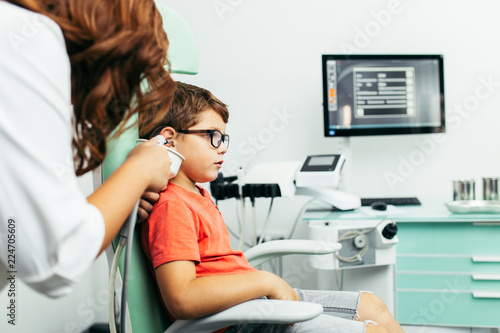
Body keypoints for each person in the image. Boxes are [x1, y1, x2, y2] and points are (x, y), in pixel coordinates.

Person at [141, 82, 405, 333]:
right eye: (212, 136)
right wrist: (267, 281)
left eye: (223, 138)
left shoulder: (196, 194)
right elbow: (182, 298)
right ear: (170, 140)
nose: (222, 148)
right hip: (234, 321)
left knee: (373, 306)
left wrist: (264, 285)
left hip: (251, 303)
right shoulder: (172, 206)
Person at [0, 0, 176, 297]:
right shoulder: (26, 35)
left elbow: (19, 245)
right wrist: (140, 171)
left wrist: (116, 202)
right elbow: (56, 259)